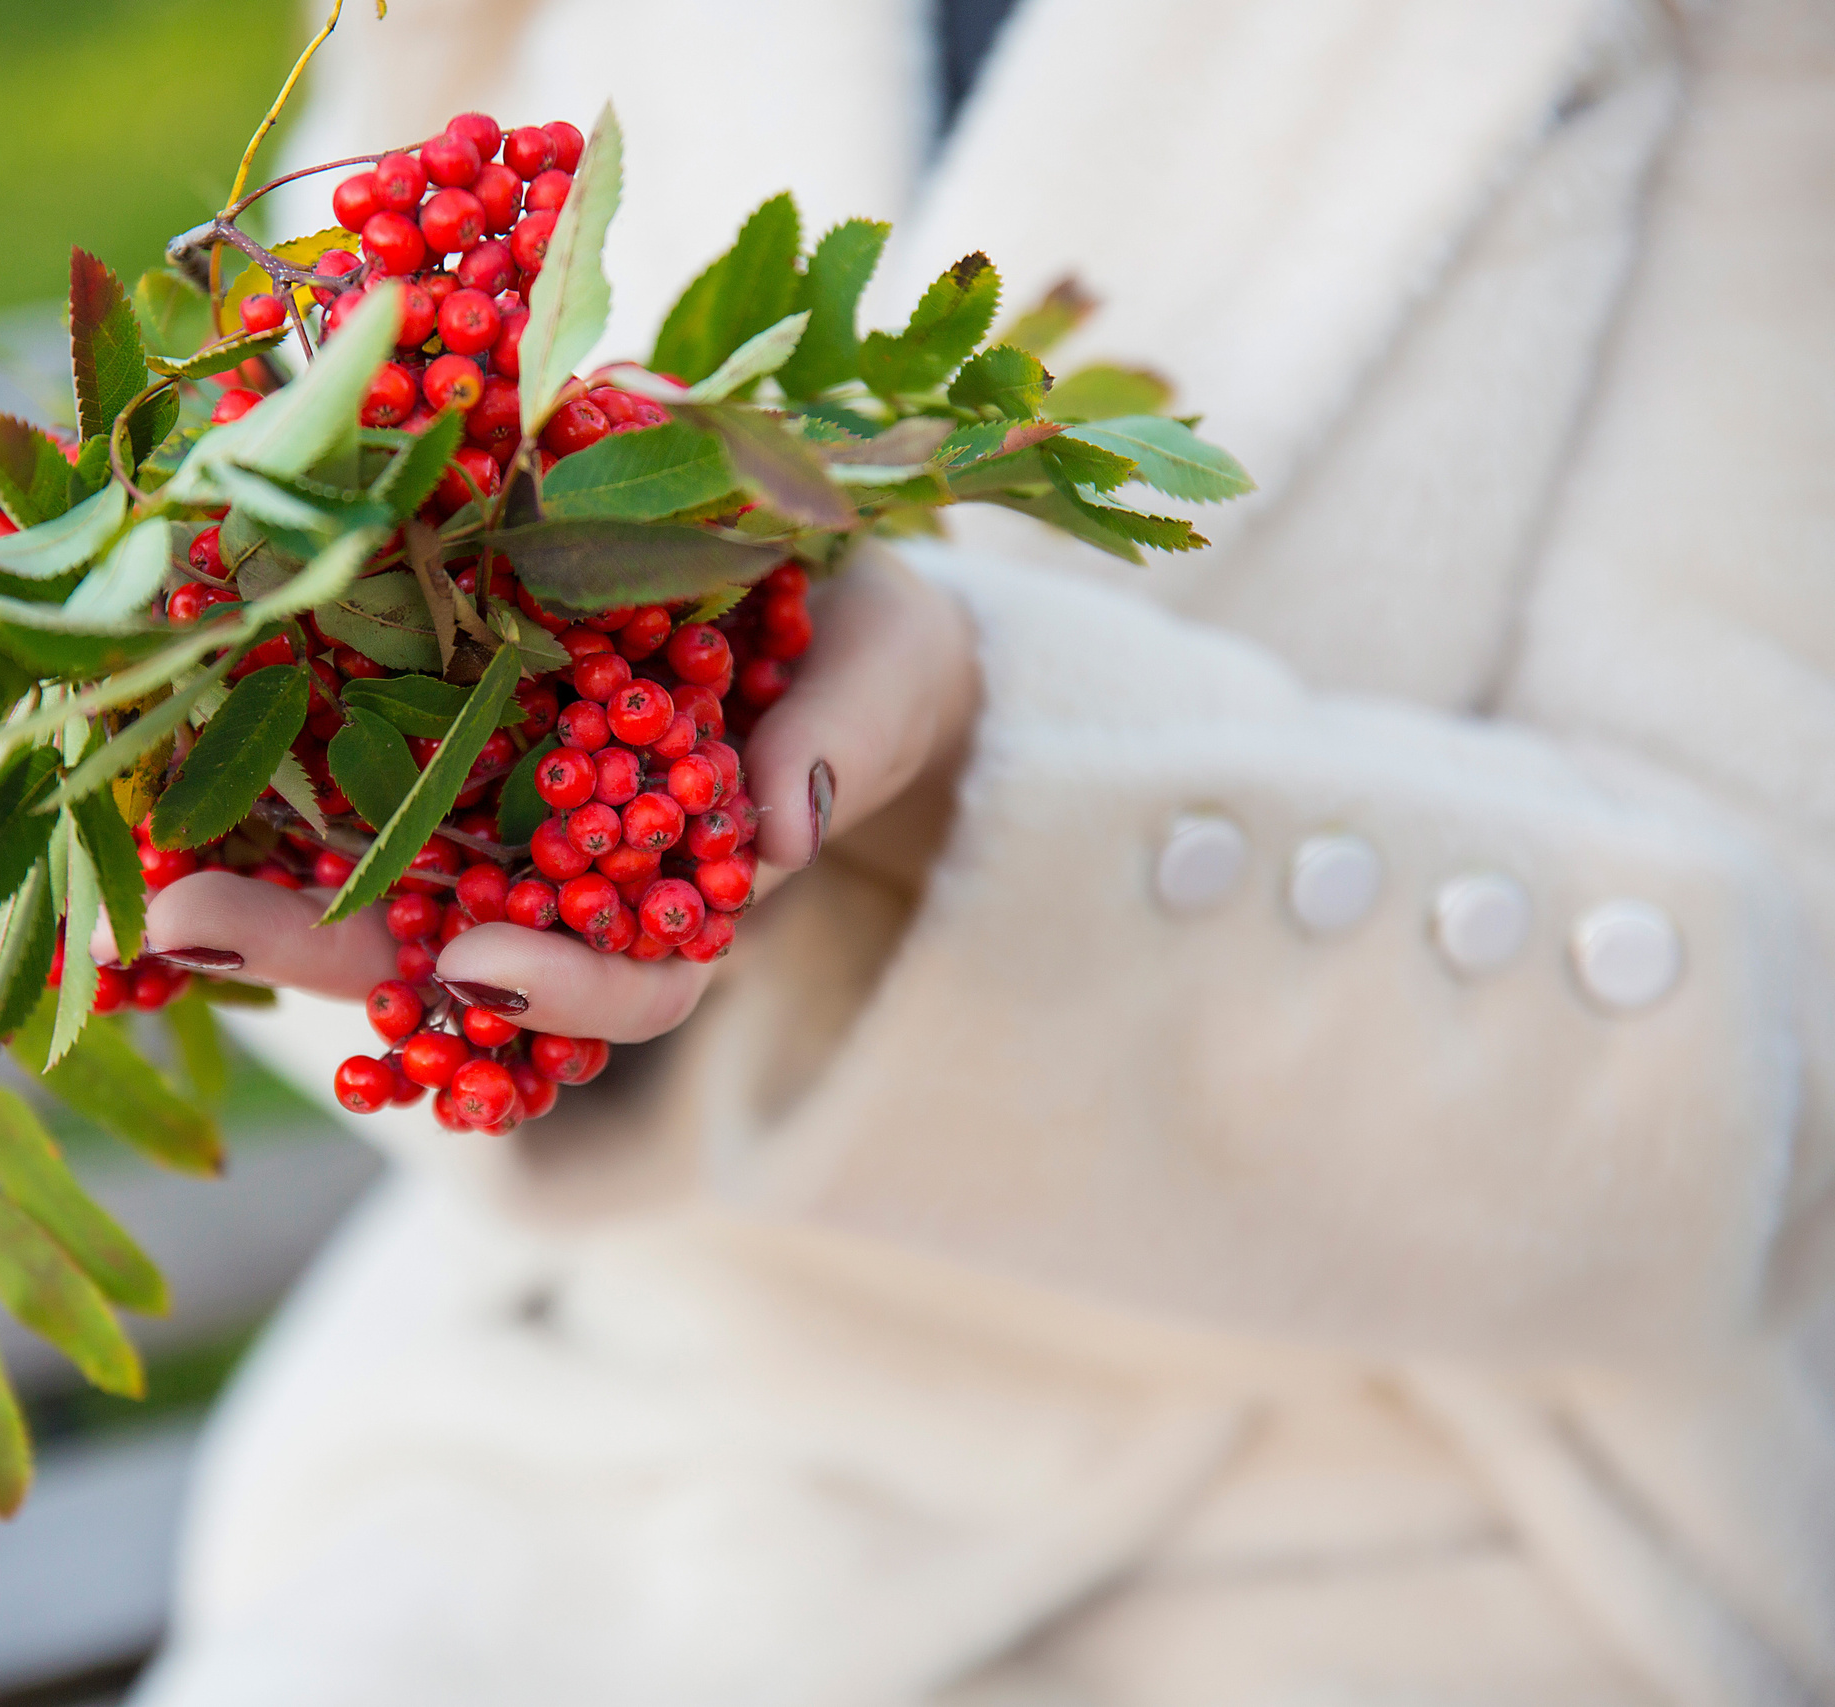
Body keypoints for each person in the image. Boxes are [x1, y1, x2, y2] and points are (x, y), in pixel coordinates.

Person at [129, 0, 1835, 1699]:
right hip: (600, 1434)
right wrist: (351, 771)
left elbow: (1753, 1075)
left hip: (1401, 1503)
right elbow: (321, 545)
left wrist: (978, 748)